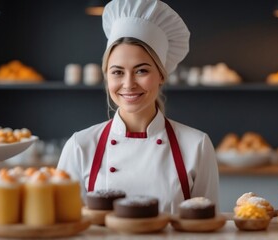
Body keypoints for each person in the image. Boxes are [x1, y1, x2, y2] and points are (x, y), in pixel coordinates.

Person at [57, 0, 219, 213]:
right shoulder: (80, 146)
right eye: (117, 72)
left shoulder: (196, 146)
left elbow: (206, 228)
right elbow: (64, 224)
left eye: (141, 70)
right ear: (107, 77)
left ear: (161, 75)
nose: (128, 84)